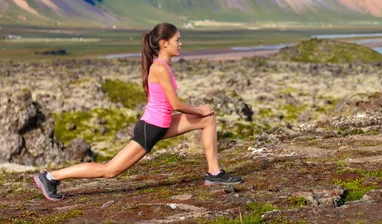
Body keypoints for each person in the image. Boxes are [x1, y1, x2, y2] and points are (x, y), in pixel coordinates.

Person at [34, 22, 242, 201]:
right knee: (110, 170)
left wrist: (203, 113)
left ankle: (214, 173)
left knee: (208, 119)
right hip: (151, 129)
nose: (181, 43)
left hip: (163, 124)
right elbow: (176, 104)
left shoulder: (162, 66)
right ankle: (51, 177)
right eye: (177, 39)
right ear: (164, 43)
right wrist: (199, 109)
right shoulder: (159, 68)